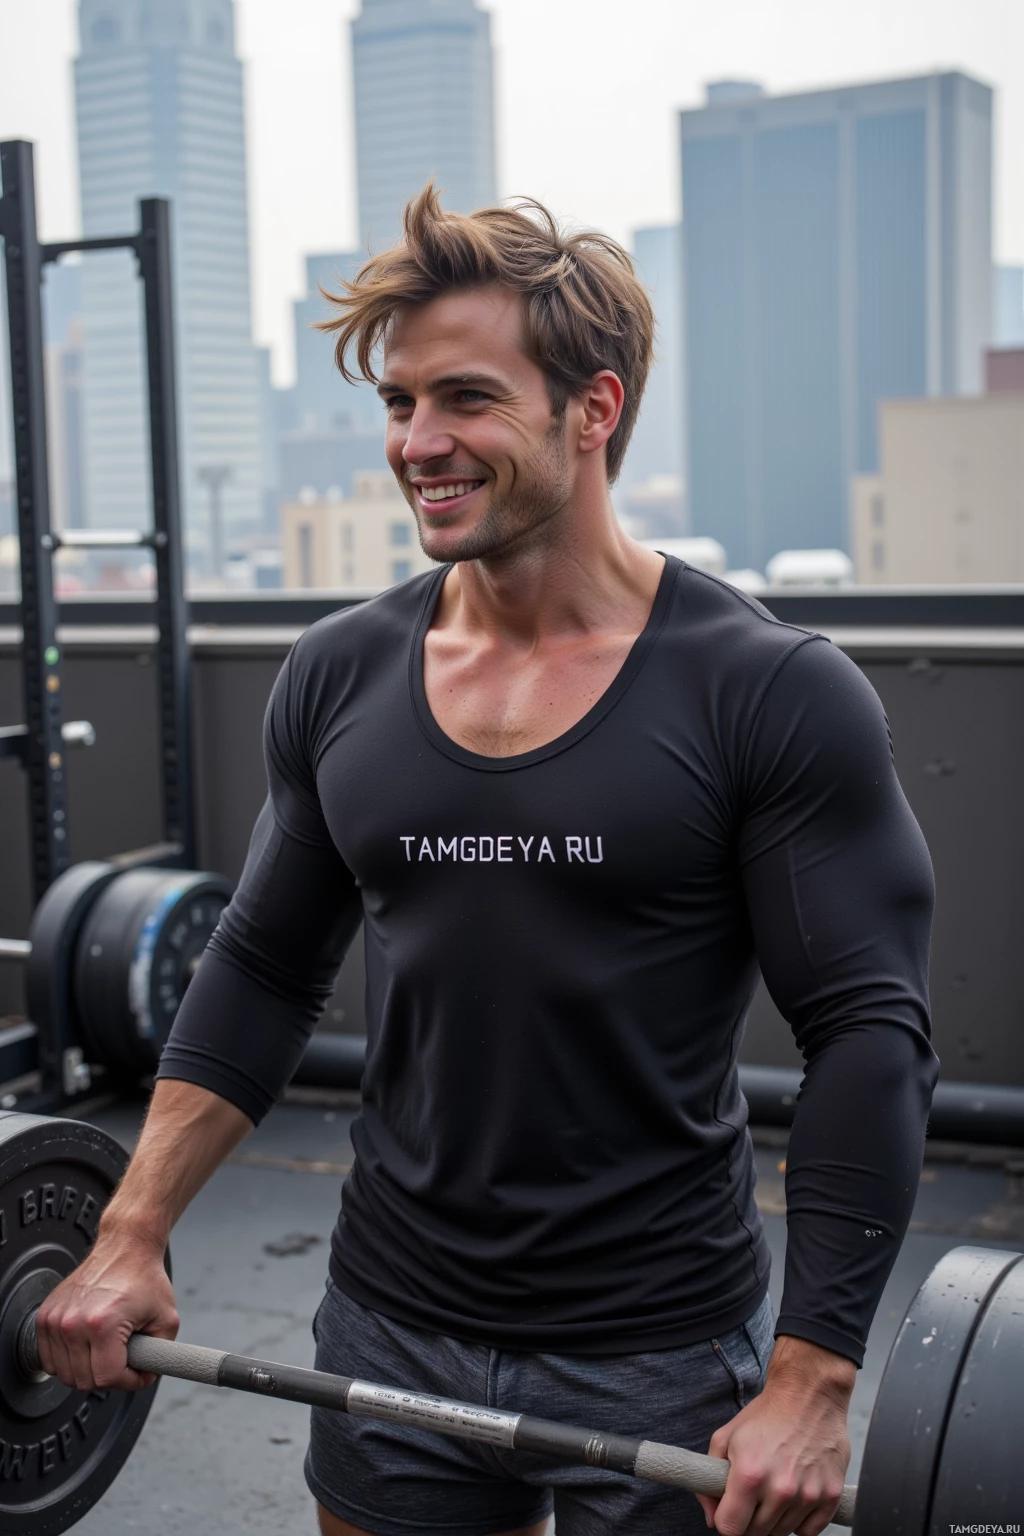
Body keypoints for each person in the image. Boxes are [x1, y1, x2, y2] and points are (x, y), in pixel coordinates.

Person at [36, 186, 938, 1536]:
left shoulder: (771, 692)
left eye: (463, 398)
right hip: (392, 1316)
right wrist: (129, 1229)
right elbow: (264, 968)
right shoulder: (341, 672)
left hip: (664, 1346)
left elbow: (867, 1032)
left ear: (596, 408)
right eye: (398, 405)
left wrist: (812, 1375)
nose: (418, 443)